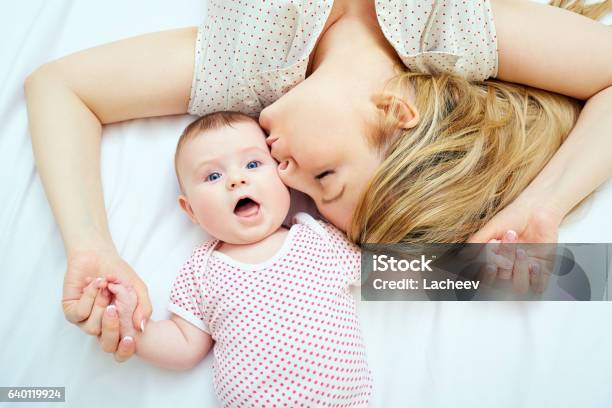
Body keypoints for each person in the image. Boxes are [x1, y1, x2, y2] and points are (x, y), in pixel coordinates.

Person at [24, 0, 612, 362]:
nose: (285, 174)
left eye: (308, 193)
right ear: (397, 114)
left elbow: (59, 87)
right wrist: (544, 207)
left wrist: (92, 247)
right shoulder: (453, 26)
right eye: (326, 176)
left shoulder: (247, 65)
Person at [97, 111, 373, 406]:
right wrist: (133, 326)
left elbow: (385, 270)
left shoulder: (316, 237)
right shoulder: (202, 269)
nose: (237, 180)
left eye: (253, 164)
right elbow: (184, 345)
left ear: (283, 177)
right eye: (213, 176)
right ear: (190, 210)